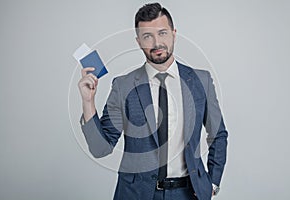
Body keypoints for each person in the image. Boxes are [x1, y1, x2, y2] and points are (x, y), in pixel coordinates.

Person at [78, 3, 228, 200]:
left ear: (174, 33)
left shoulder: (201, 81)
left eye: (163, 33)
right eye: (148, 36)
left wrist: (213, 183)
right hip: (136, 194)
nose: (157, 43)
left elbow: (218, 134)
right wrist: (88, 102)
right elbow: (101, 149)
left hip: (188, 193)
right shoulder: (123, 86)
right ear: (138, 41)